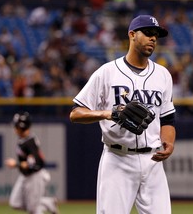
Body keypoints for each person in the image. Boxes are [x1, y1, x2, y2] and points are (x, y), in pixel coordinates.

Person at [70, 15, 176, 214]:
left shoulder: (163, 75)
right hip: (118, 159)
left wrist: (169, 142)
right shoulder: (107, 72)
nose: (153, 38)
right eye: (148, 33)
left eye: (156, 35)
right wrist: (107, 113)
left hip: (152, 161)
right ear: (132, 34)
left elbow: (168, 119)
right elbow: (76, 113)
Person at [5, 111, 59, 214]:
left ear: (22, 127)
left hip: (34, 176)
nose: (14, 128)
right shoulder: (24, 139)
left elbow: (34, 164)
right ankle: (48, 202)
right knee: (15, 203)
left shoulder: (29, 143)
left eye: (16, 126)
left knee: (33, 210)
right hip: (24, 175)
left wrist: (15, 164)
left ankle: (44, 204)